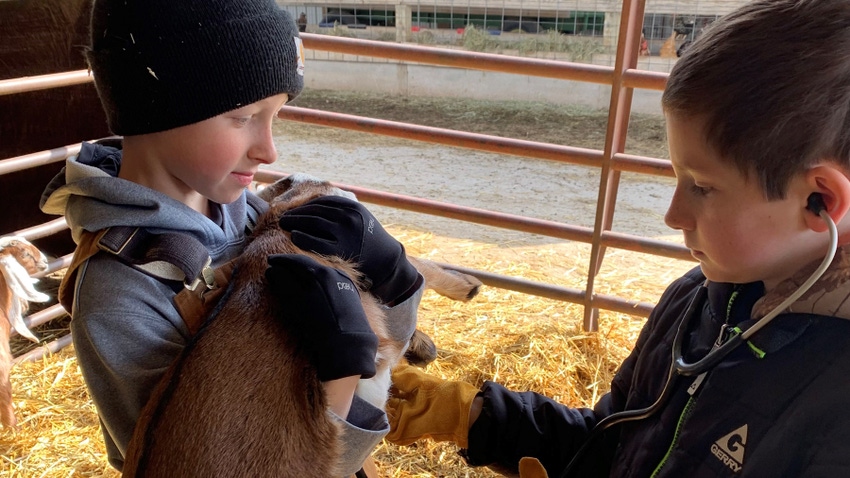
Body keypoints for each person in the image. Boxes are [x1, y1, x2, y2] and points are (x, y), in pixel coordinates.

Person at [384, 1, 850, 477]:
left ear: (821, 201)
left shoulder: (835, 406)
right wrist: (465, 415)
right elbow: (611, 449)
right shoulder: (697, 299)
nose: (672, 215)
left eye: (702, 187)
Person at [38, 0, 422, 475]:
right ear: (153, 106)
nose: (268, 149)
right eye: (242, 117)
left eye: (275, 115)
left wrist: (394, 279)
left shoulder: (255, 213)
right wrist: (341, 382)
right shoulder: (122, 296)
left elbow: (392, 355)